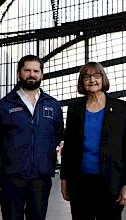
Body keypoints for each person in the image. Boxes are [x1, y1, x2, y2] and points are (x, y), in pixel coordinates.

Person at [0, 55, 64, 220]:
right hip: (12, 178)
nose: (32, 74)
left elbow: (57, 136)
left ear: (42, 74)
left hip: (41, 179)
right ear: (19, 73)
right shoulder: (5, 104)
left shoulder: (53, 105)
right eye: (27, 70)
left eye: (36, 71)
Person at [60, 61, 126, 220]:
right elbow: (68, 147)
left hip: (111, 183)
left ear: (103, 79)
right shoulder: (75, 109)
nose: (92, 80)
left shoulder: (121, 108)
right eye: (87, 77)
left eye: (96, 76)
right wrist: (64, 179)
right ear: (82, 81)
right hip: (80, 183)